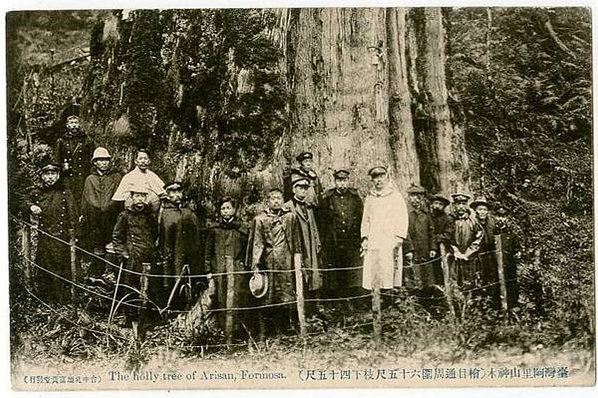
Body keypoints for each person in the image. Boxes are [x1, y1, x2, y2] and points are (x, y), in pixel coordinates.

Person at [246, 188, 302, 337]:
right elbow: (257, 243)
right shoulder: (260, 219)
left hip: (285, 261)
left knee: (285, 295)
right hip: (269, 262)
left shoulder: (290, 218)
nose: (276, 201)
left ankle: (284, 329)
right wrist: (255, 265)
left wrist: (298, 258)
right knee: (267, 296)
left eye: (279, 198)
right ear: (268, 201)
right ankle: (266, 331)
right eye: (273, 198)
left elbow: (296, 241)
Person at [26, 163, 78, 304]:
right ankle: (47, 300)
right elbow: (21, 200)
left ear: (58, 175)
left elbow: (73, 214)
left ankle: (63, 300)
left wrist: (73, 235)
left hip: (62, 237)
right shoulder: (38, 192)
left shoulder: (65, 193)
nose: (50, 178)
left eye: (53, 174)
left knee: (62, 266)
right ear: (42, 176)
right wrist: (31, 206)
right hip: (45, 236)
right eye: (47, 174)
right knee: (45, 266)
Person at [112, 186, 159, 341]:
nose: (140, 199)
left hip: (148, 255)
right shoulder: (125, 215)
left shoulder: (149, 215)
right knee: (131, 286)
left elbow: (154, 233)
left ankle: (147, 318)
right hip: (132, 257)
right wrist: (123, 253)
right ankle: (130, 317)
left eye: (143, 196)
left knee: (150, 286)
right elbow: (117, 237)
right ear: (132, 197)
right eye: (137, 196)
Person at [204, 197, 249, 336]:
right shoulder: (214, 230)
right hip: (219, 269)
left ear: (234, 210)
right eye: (223, 208)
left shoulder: (241, 230)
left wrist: (244, 268)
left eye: (228, 208)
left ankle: (237, 331)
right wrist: (208, 271)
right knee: (221, 299)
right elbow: (208, 253)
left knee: (238, 299)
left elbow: (246, 251)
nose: (225, 211)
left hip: (237, 270)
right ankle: (223, 331)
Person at [360, 166, 409, 291]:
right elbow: (366, 218)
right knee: (374, 266)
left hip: (390, 237)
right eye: (375, 178)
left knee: (389, 266)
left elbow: (402, 217)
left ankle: (389, 296)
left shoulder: (395, 196)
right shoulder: (370, 197)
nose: (379, 180)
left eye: (381, 177)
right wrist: (365, 237)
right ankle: (375, 295)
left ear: (386, 177)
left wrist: (399, 235)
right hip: (374, 237)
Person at [320, 169, 364, 302]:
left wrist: (361, 239)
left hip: (352, 242)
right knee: (336, 272)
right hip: (334, 242)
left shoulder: (355, 197)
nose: (342, 184)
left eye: (344, 180)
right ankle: (338, 302)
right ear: (335, 181)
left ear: (348, 181)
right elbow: (323, 221)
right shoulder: (328, 198)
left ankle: (353, 300)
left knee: (351, 272)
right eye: (339, 181)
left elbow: (362, 218)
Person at [157, 181, 202, 311]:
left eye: (179, 192)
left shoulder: (188, 212)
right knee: (171, 281)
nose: (177, 195)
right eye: (173, 192)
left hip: (188, 255)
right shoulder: (165, 213)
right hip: (171, 255)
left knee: (188, 281)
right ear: (168, 194)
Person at [80, 147, 123, 280]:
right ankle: (97, 274)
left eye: (106, 160)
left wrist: (110, 207)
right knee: (97, 244)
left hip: (112, 216)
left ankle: (111, 273)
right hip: (95, 218)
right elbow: (86, 199)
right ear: (95, 163)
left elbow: (119, 195)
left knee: (112, 243)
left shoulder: (116, 177)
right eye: (100, 160)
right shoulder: (90, 179)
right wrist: (85, 214)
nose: (104, 163)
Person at [285, 175, 323, 296]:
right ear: (293, 189)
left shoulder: (309, 206)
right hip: (295, 247)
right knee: (298, 274)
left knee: (312, 273)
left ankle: (313, 306)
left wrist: (317, 242)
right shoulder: (287, 207)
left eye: (305, 188)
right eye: (300, 188)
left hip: (310, 245)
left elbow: (314, 226)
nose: (303, 191)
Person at [403, 184, 439, 294]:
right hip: (413, 250)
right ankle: (415, 299)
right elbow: (405, 232)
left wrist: (433, 248)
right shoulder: (406, 214)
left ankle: (427, 298)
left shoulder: (426, 214)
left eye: (417, 197)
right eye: (411, 197)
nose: (414, 200)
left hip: (425, 250)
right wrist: (408, 249)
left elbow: (431, 232)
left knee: (427, 276)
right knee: (414, 275)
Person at [54, 113, 95, 202]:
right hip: (67, 175)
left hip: (83, 174)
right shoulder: (61, 141)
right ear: (67, 125)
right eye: (71, 123)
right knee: (69, 197)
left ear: (79, 124)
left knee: (83, 197)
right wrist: (62, 166)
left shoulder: (87, 140)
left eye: (76, 123)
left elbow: (92, 158)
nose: (74, 125)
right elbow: (56, 160)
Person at [449, 193, 484, 292]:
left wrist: (468, 253)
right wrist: (455, 251)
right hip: (453, 258)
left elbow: (479, 238)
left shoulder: (473, 222)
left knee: (470, 283)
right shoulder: (450, 221)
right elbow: (447, 237)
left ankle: (470, 304)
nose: (461, 207)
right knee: (454, 282)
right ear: (454, 205)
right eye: (458, 204)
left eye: (463, 204)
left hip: (470, 258)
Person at [471, 196, 499, 304]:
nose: (482, 212)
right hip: (477, 255)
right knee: (478, 277)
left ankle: (491, 300)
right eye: (480, 209)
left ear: (487, 211)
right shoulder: (472, 223)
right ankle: (479, 301)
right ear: (476, 211)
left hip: (490, 255)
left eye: (484, 209)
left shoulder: (492, 223)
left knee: (491, 276)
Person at [493, 203, 522, 309]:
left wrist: (518, 253)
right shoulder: (492, 233)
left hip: (509, 266)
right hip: (494, 266)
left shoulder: (512, 234)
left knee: (511, 286)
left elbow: (517, 248)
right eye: (499, 216)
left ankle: (512, 308)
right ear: (495, 217)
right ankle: (497, 310)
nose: (501, 219)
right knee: (495, 287)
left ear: (507, 218)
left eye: (503, 216)